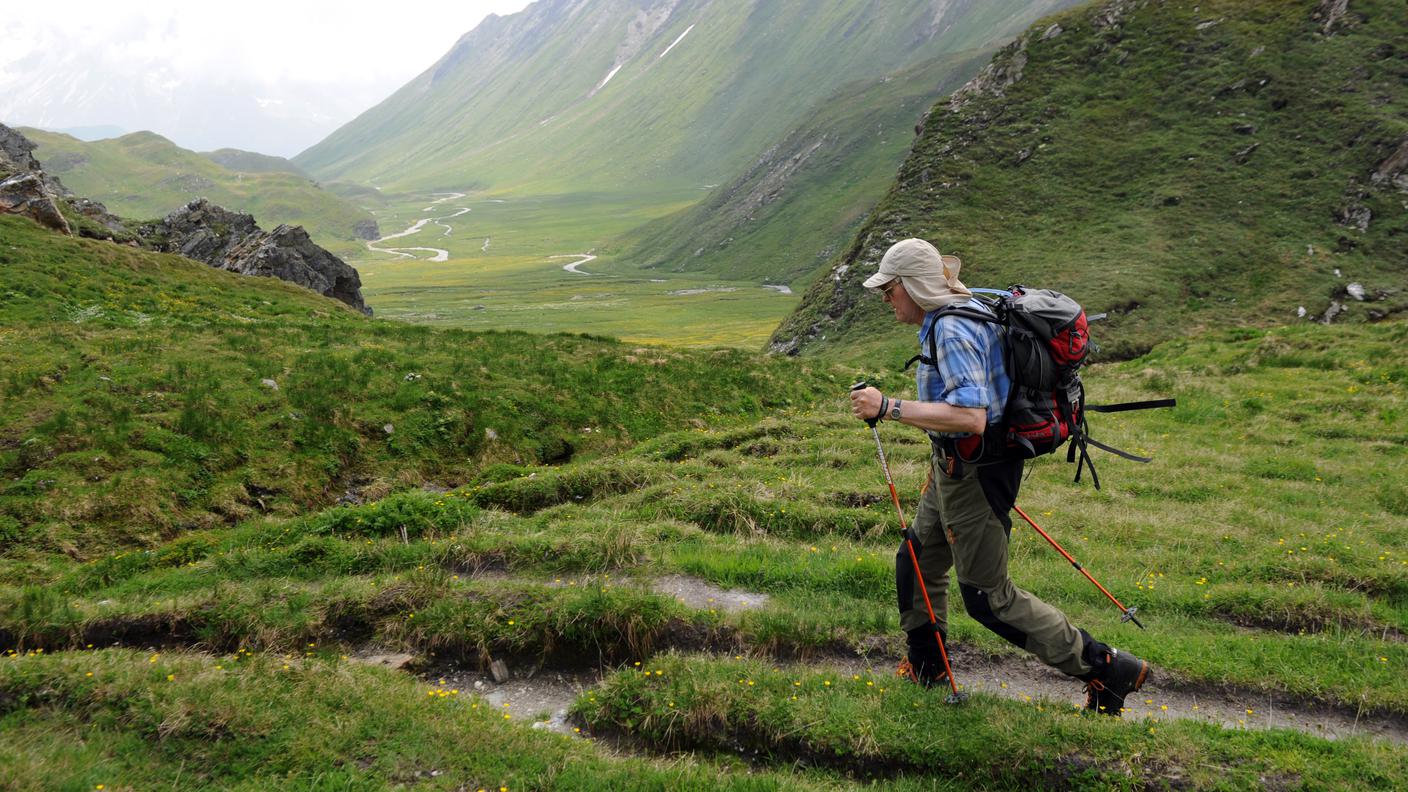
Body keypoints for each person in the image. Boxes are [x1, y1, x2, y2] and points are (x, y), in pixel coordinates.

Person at [847, 238, 1150, 716]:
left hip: (977, 473)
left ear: (913, 286)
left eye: (890, 289)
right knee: (917, 561)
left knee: (989, 598)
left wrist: (889, 407)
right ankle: (929, 671)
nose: (887, 299)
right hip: (954, 468)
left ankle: (1107, 668)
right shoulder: (955, 312)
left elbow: (971, 416)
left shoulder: (950, 329)